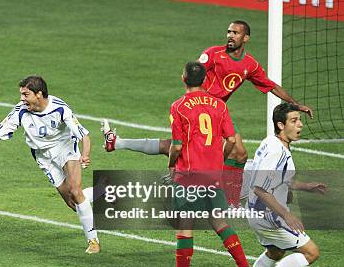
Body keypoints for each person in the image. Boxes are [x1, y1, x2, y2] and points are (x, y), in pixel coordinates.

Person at [101, 20, 313, 206]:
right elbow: (195, 72)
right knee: (186, 147)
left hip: (217, 111)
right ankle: (217, 192)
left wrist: (295, 103)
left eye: (235, 33)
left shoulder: (250, 65)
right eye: (229, 32)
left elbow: (270, 85)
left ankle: (224, 194)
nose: (230, 36)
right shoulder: (213, 54)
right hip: (200, 108)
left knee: (234, 152)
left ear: (245, 37)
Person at [0, 76, 99, 253]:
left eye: (25, 94)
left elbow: (84, 136)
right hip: (44, 158)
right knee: (74, 203)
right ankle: (104, 190)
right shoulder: (20, 111)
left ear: (39, 94)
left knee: (75, 190)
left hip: (66, 149)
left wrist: (85, 155)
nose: (21, 99)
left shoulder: (61, 109)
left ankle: (93, 241)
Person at [153, 62, 251, 267]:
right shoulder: (218, 105)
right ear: (205, 79)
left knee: (185, 225)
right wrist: (220, 161)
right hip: (213, 174)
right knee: (219, 221)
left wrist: (171, 167)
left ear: (183, 77)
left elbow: (176, 146)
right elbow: (231, 141)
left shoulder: (178, 106)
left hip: (188, 174)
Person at [233, 103, 326, 267]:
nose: (300, 125)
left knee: (275, 251)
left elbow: (277, 178)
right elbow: (259, 188)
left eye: (299, 120)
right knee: (311, 252)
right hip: (270, 215)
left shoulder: (272, 143)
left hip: (256, 212)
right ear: (280, 125)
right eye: (294, 121)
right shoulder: (277, 152)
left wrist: (305, 186)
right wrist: (287, 215)